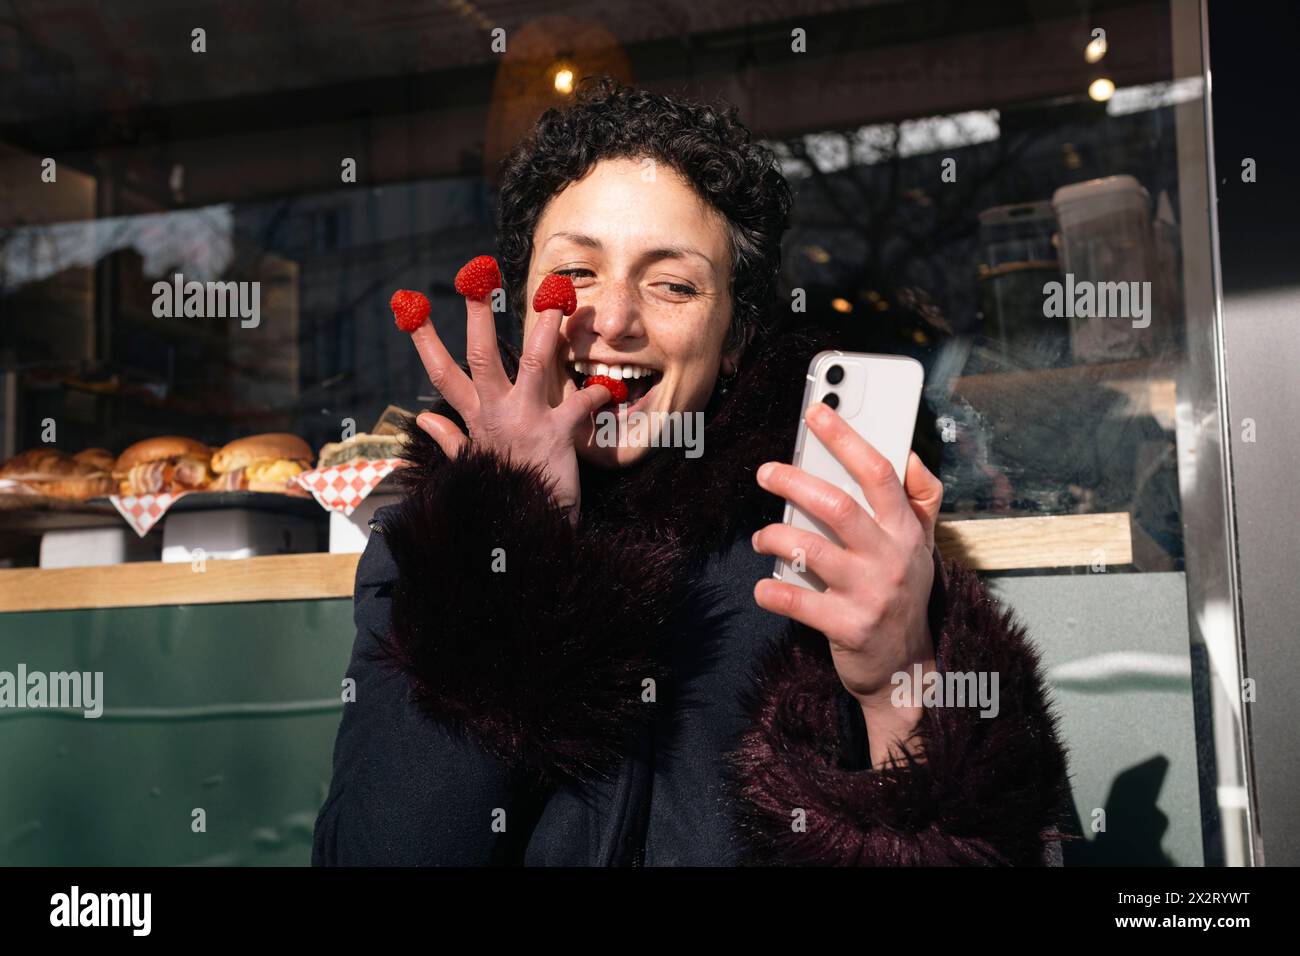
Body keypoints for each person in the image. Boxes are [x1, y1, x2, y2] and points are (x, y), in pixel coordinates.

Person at [312, 76, 1071, 866]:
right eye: (574, 275)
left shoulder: (833, 546)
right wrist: (510, 546)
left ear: (735, 335)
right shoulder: (433, 546)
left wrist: (898, 689)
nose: (613, 320)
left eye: (672, 283)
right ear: (517, 306)